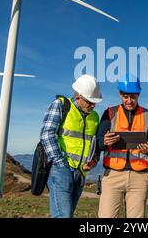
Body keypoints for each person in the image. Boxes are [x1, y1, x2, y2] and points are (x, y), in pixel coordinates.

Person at [40, 74, 102, 218]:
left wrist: (93, 161)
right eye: (89, 101)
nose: (93, 105)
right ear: (78, 96)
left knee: (67, 214)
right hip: (61, 171)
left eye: (95, 102)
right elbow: (47, 134)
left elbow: (95, 146)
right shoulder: (61, 105)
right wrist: (61, 163)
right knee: (64, 215)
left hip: (80, 174)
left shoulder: (95, 117)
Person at [97, 74, 148, 218]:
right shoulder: (109, 113)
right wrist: (105, 141)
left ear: (138, 94)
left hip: (139, 176)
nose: (129, 100)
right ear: (120, 94)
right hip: (112, 175)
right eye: (125, 96)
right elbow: (99, 142)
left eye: (133, 96)